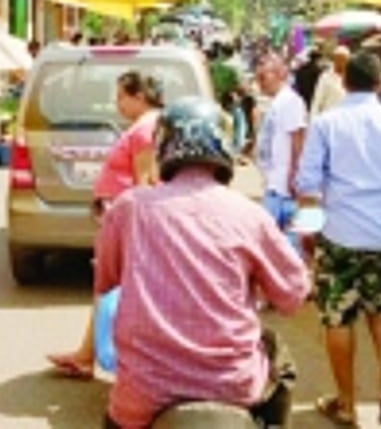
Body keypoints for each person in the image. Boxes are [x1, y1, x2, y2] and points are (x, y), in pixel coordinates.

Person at [96, 97, 310, 428]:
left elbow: (106, 281)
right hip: (232, 388)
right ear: (224, 146)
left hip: (143, 393)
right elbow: (293, 296)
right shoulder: (250, 215)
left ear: (164, 148)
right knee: (275, 352)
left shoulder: (128, 208)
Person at [295, 50, 381, 427]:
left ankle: (347, 404)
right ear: (380, 84)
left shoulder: (326, 124)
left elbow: (307, 182)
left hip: (338, 231)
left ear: (344, 81)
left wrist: (309, 226)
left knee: (338, 318)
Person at [48, 71, 164, 381]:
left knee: (111, 286)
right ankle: (86, 354)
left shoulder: (145, 129)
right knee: (107, 286)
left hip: (126, 223)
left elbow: (144, 185)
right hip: (120, 219)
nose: (117, 104)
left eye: (121, 97)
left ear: (139, 97)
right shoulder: (147, 127)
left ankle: (98, 357)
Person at [254, 54, 307, 246]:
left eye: (263, 77)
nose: (260, 83)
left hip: (285, 189)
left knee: (280, 244)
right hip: (275, 185)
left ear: (279, 74)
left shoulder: (290, 101)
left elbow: (298, 138)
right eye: (258, 78)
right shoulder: (278, 102)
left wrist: (295, 176)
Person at [312, 45, 351, 116]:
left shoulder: (351, 78)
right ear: (334, 59)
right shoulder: (325, 77)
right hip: (328, 118)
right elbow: (317, 100)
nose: (340, 62)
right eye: (338, 59)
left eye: (343, 60)